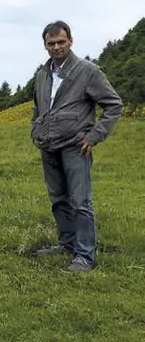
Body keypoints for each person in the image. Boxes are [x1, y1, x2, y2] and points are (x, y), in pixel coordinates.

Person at [31, 20, 123, 272]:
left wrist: (94, 136)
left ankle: (84, 255)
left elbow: (114, 105)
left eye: (61, 42)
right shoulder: (43, 74)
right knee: (58, 199)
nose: (57, 47)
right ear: (45, 45)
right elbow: (38, 107)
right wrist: (35, 129)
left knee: (80, 201)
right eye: (51, 43)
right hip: (47, 145)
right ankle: (67, 244)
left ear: (71, 41)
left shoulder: (88, 71)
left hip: (75, 146)